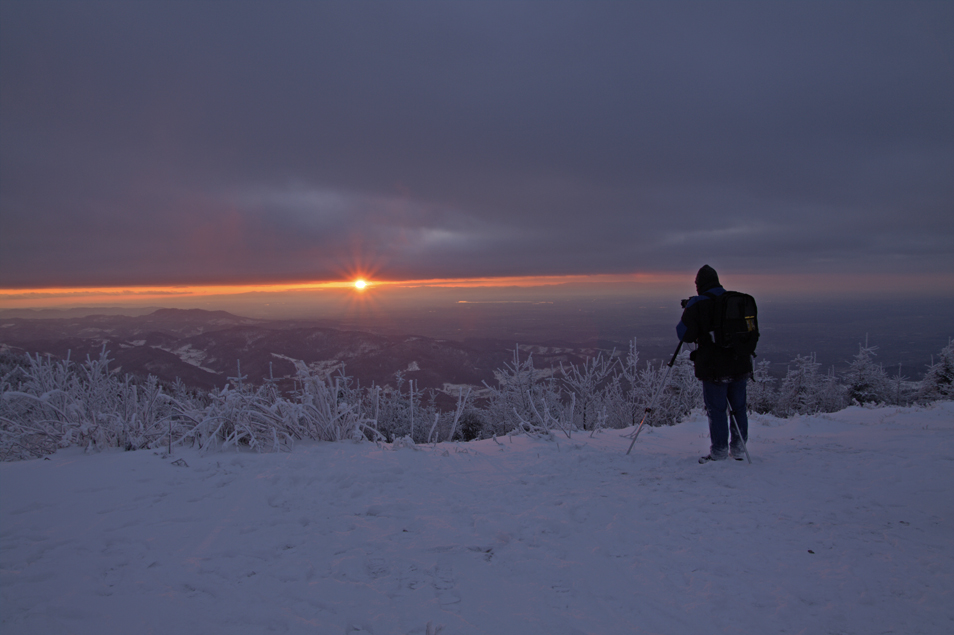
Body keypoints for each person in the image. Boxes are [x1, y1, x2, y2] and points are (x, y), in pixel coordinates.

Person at [676, 265, 751, 462]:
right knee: (739, 408)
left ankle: (718, 451)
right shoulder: (736, 301)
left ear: (699, 284)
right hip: (740, 364)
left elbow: (684, 334)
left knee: (717, 409)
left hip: (714, 368)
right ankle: (739, 449)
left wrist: (690, 311)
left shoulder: (698, 304)